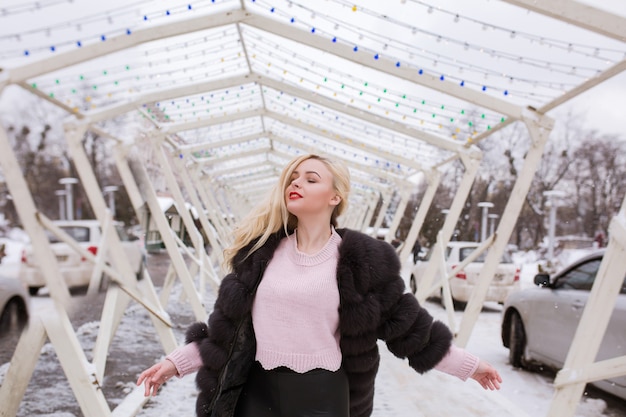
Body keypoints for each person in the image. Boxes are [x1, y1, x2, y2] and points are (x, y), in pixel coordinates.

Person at [137, 154, 502, 417]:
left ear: (335, 197)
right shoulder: (259, 257)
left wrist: (469, 366)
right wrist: (175, 363)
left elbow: (408, 330)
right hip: (255, 391)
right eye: (293, 178)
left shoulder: (361, 261)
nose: (297, 183)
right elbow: (224, 334)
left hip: (322, 396)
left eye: (311, 178)